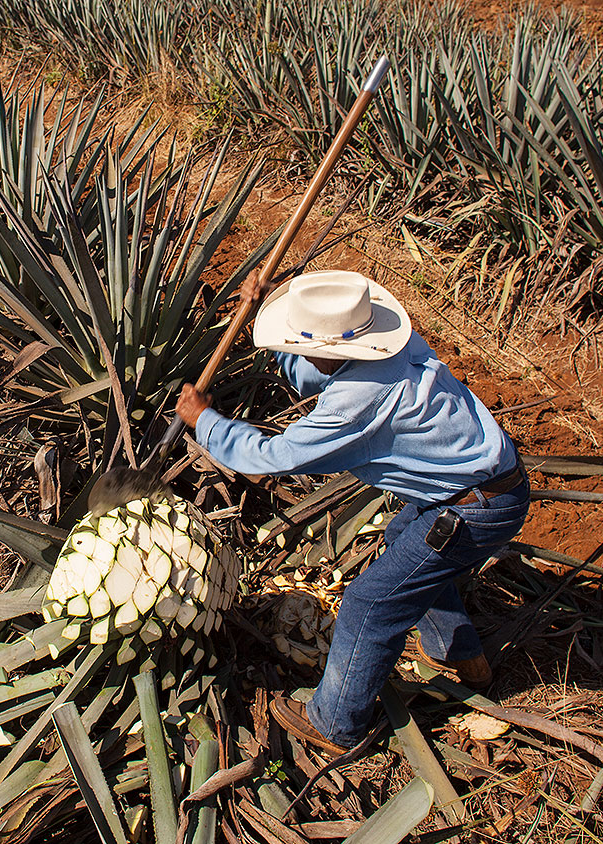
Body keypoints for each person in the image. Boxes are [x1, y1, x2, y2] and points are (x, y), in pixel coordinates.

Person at [175, 268, 529, 756]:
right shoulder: (389, 346)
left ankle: (335, 725)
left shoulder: (359, 401)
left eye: (302, 344)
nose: (300, 354)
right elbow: (316, 368)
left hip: (474, 508)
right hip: (483, 484)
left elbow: (275, 457)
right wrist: (267, 312)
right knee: (404, 542)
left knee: (369, 605)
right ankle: (460, 654)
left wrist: (205, 422)